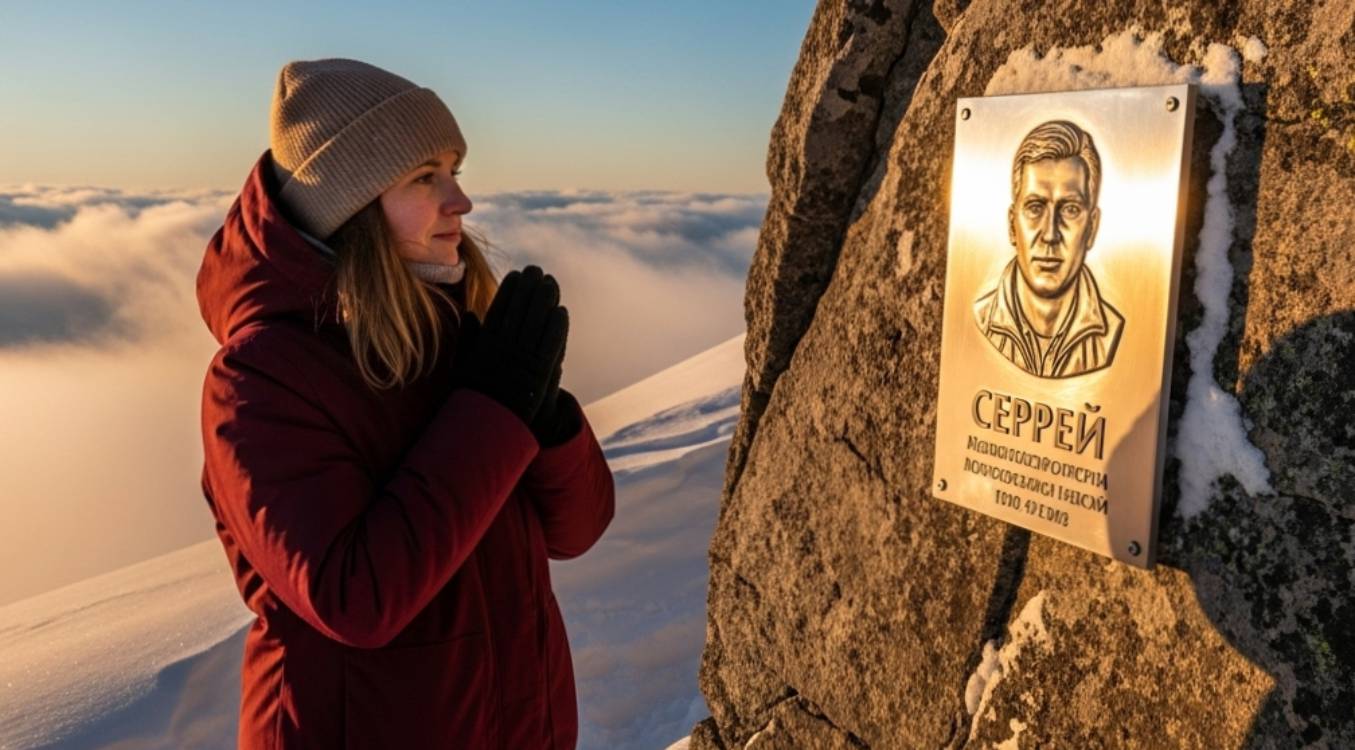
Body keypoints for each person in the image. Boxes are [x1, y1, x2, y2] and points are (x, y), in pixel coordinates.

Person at [196, 58, 615, 749]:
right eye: (425, 176)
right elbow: (354, 599)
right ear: (351, 206)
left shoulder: (451, 332)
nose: (461, 201)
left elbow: (577, 530)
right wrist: (494, 410)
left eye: (455, 170)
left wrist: (545, 418)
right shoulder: (259, 379)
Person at [973, 119, 1124, 378]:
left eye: (1070, 209)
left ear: (1092, 228)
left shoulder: (1110, 333)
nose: (1050, 234)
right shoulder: (980, 317)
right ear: (1012, 225)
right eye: (1035, 207)